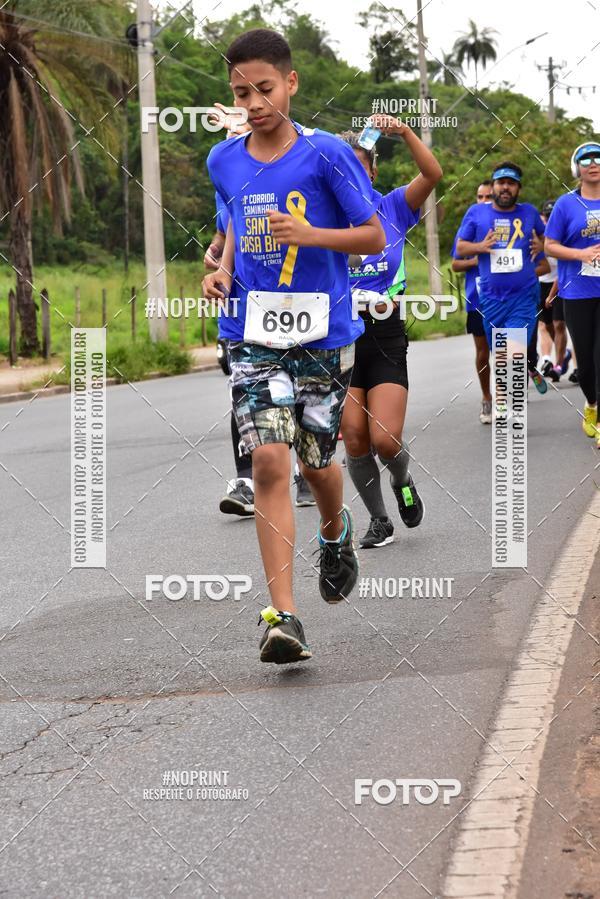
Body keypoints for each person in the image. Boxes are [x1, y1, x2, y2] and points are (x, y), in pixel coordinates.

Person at [203, 28, 385, 663]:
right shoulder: (223, 159)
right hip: (251, 332)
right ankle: (283, 617)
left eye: (264, 89)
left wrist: (311, 235)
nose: (253, 103)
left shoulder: (326, 152)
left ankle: (336, 531)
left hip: (322, 334)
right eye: (240, 93)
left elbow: (374, 236)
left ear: (291, 83)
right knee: (269, 463)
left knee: (315, 462)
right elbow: (233, 220)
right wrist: (221, 267)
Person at [340, 117, 442, 549]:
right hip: (338, 337)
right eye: (342, 168)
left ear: (373, 171)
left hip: (384, 335)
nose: (352, 176)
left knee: (384, 439)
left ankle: (402, 479)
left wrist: (405, 133)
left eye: (359, 167)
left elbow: (432, 175)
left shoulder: (393, 207)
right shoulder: (322, 218)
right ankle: (379, 520)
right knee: (355, 439)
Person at [456, 161, 550, 393]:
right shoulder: (476, 212)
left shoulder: (529, 212)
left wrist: (543, 245)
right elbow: (461, 248)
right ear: (494, 186)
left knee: (512, 352)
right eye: (501, 182)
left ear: (518, 188)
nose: (505, 187)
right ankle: (505, 399)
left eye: (511, 183)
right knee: (501, 356)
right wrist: (480, 246)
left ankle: (514, 403)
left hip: (523, 297)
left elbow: (550, 239)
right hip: (490, 298)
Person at [545, 141, 600, 445]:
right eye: (586, 159)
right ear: (576, 167)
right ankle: (591, 403)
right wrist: (581, 254)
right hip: (577, 292)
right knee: (587, 363)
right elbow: (549, 246)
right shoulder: (566, 204)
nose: (593, 163)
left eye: (598, 158)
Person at [451, 180, 493, 424]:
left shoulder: (507, 223)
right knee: (483, 352)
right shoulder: (469, 225)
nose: (484, 201)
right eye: (480, 197)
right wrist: (477, 260)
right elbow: (456, 264)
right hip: (478, 300)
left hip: (506, 297)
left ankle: (509, 395)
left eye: (489, 196)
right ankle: (487, 397)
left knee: (509, 351)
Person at [533, 200, 573, 382]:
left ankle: (558, 365)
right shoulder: (536, 235)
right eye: (547, 216)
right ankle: (564, 353)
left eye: (552, 216)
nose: (549, 219)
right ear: (542, 217)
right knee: (547, 325)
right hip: (542, 283)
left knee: (559, 324)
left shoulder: (563, 231)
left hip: (561, 282)